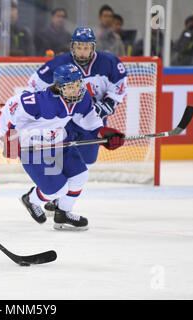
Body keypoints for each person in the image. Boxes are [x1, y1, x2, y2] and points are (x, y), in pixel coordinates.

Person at [0, 64, 125, 230]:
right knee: (55, 191)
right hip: (33, 149)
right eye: (70, 86)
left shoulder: (83, 97)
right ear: (58, 87)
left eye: (78, 84)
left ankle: (63, 213)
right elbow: (9, 108)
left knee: (79, 177)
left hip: (59, 141)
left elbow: (89, 119)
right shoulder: (39, 101)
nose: (76, 90)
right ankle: (31, 199)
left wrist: (103, 133)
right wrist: (6, 138)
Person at [26, 27, 127, 213]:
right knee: (61, 162)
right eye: (79, 47)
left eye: (86, 47)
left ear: (93, 47)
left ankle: (58, 200)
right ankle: (55, 197)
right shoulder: (58, 63)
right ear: (73, 47)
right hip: (66, 121)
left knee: (87, 162)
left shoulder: (110, 63)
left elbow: (118, 90)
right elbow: (33, 87)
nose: (82, 51)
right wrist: (33, 106)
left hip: (92, 120)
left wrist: (105, 106)